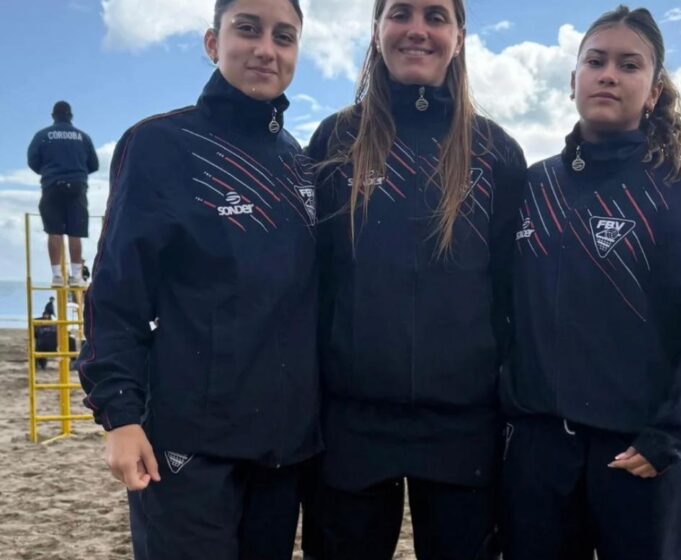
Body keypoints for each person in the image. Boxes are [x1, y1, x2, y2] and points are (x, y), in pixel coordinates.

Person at [500, 6, 681, 559]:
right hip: (538, 458)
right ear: (572, 81)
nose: (609, 74)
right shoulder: (532, 186)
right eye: (596, 61)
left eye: (629, 64)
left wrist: (666, 438)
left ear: (653, 91)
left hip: (640, 458)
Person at [77, 1, 320, 558]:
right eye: (248, 29)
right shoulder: (161, 144)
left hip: (280, 452)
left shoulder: (299, 164)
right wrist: (119, 414)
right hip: (187, 448)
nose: (266, 48)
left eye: (284, 37)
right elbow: (116, 292)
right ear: (213, 43)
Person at [307, 0, 527, 557]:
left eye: (436, 16)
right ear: (377, 30)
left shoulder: (495, 152)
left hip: (464, 425)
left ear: (459, 36)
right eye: (400, 13)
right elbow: (313, 282)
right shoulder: (336, 141)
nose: (417, 30)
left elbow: (513, 294)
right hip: (352, 421)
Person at [27, 100, 99, 287]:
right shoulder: (83, 137)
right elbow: (94, 164)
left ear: (53, 116)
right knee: (75, 232)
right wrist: (77, 172)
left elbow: (33, 160)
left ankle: (57, 276)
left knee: (54, 231)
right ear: (70, 116)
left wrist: (48, 172)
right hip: (77, 187)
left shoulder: (43, 135)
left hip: (52, 186)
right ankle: (76, 276)